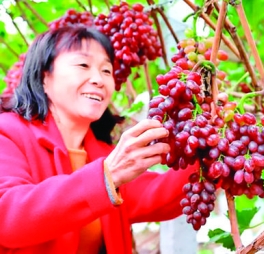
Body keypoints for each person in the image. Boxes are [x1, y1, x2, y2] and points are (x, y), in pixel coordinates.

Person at [0, 26, 197, 253]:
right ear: (45, 77)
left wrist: (211, 151)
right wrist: (107, 177)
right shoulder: (7, 134)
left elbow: (159, 195)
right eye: (83, 65)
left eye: (106, 70)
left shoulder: (103, 154)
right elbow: (7, 218)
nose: (99, 80)